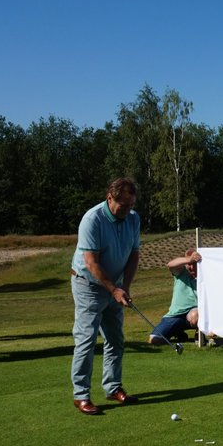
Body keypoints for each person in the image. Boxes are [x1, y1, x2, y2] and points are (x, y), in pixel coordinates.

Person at [70, 178, 141, 415]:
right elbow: (91, 262)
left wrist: (125, 287)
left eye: (131, 204)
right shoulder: (93, 219)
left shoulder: (133, 218)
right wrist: (113, 289)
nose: (128, 209)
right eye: (123, 205)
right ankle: (81, 395)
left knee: (115, 339)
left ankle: (112, 387)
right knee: (86, 339)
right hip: (88, 285)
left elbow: (133, 256)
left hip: (116, 286)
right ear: (109, 198)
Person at [149, 248, 202, 345]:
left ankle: (199, 334)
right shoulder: (181, 273)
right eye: (189, 264)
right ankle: (178, 333)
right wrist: (189, 259)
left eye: (194, 264)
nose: (191, 267)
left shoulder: (204, 277)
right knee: (154, 340)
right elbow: (170, 265)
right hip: (175, 315)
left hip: (193, 314)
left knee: (196, 314)